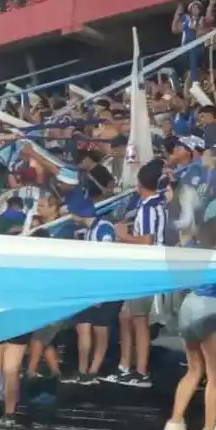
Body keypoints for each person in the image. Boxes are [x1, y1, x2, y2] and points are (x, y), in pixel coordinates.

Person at [163, 216, 216, 430]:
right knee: (215, 375)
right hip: (211, 308)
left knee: (194, 369)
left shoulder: (193, 250)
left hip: (189, 306)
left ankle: (175, 421)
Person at [107, 160, 168, 388]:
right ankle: (125, 366)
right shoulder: (156, 204)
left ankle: (141, 371)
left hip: (147, 269)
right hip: (141, 269)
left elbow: (148, 240)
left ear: (140, 183)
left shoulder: (148, 207)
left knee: (139, 320)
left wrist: (124, 236)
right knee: (125, 316)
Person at [63, 194, 120, 386]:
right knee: (84, 328)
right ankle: (82, 370)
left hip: (104, 288)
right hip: (89, 287)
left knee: (100, 330)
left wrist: (100, 292)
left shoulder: (104, 228)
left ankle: (92, 371)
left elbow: (106, 260)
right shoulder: (87, 230)